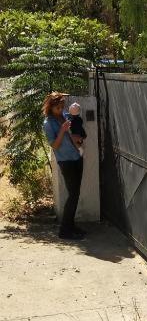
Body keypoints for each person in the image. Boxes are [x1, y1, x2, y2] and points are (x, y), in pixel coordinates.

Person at [42, 92, 85, 240]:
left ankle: (71, 226)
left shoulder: (66, 115)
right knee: (72, 195)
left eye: (62, 106)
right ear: (51, 107)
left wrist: (78, 137)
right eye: (58, 107)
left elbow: (72, 133)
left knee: (76, 194)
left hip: (77, 157)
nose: (61, 109)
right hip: (65, 160)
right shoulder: (48, 123)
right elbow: (54, 144)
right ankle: (64, 231)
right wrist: (62, 130)